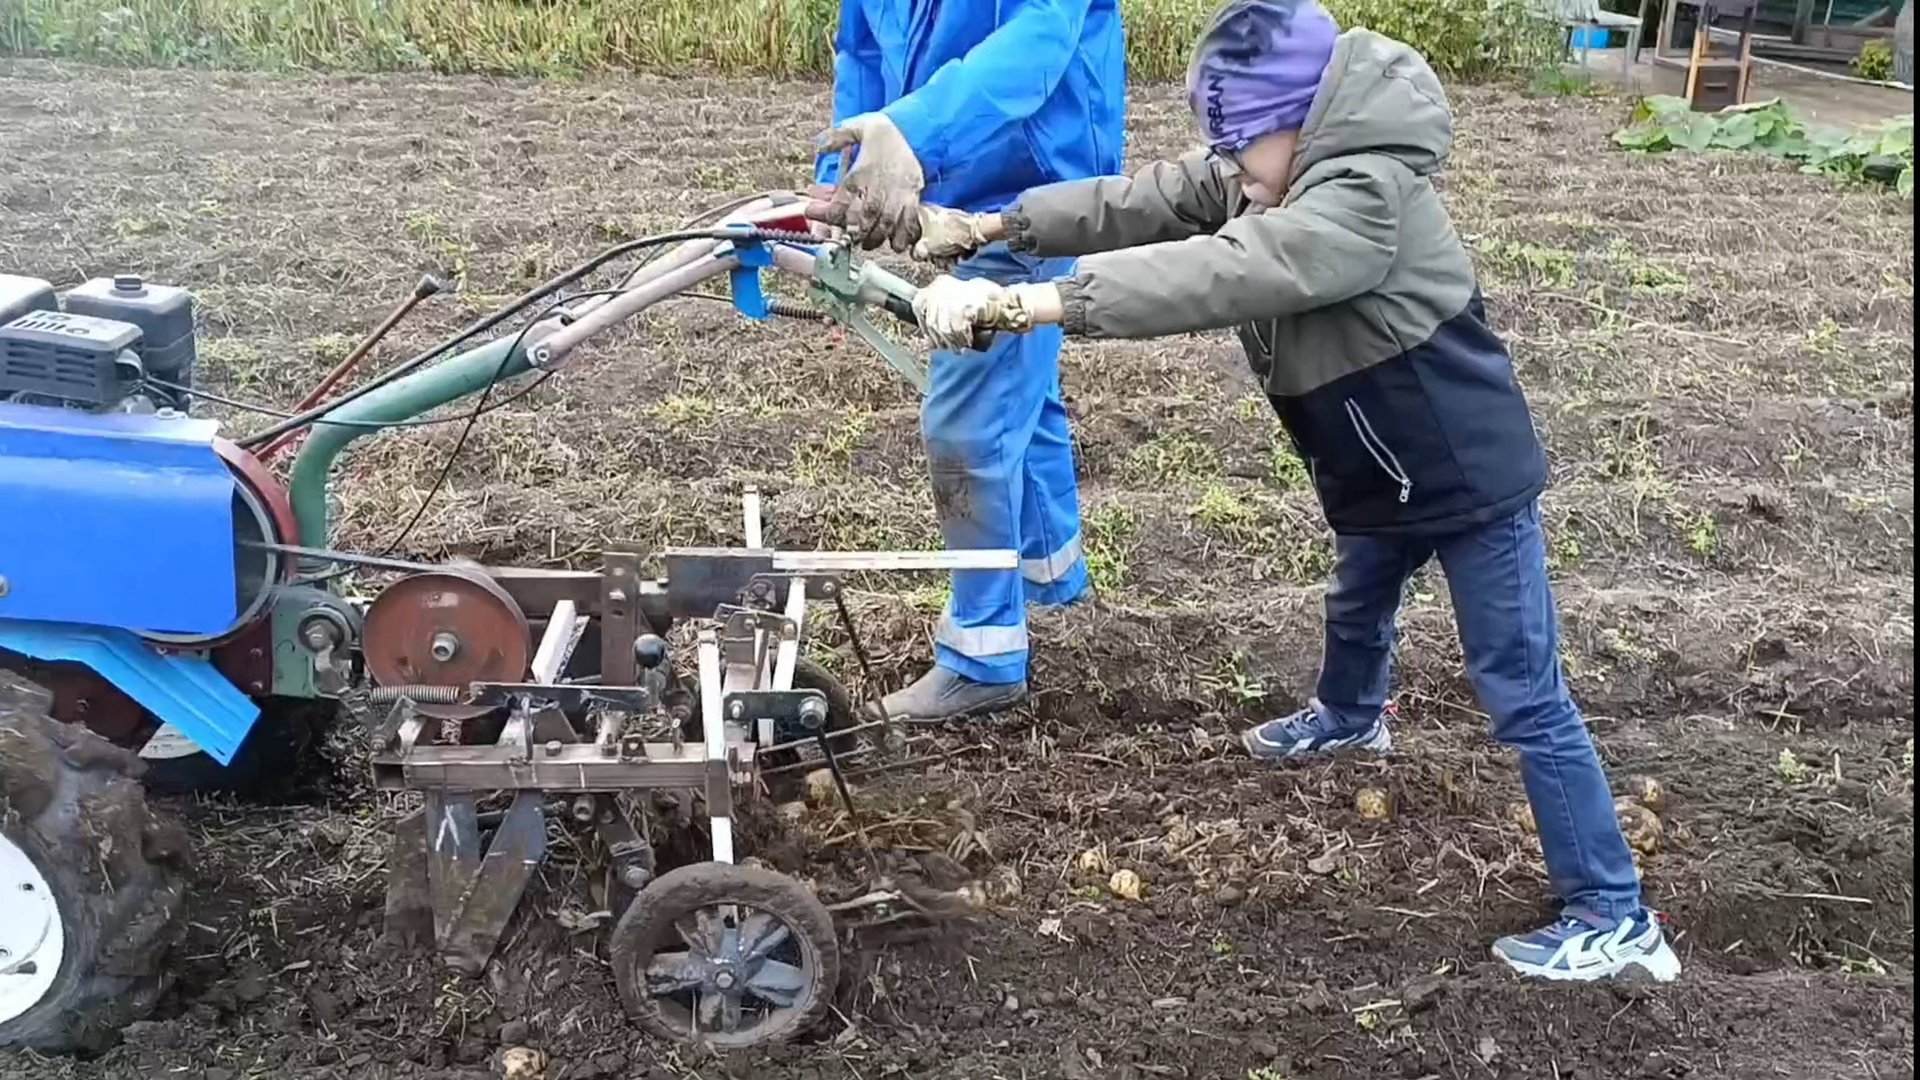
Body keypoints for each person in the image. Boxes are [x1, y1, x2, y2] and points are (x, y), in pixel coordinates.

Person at [899, 0, 1682, 982]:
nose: (1228, 163)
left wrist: (1025, 305)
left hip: (1465, 478)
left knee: (1523, 690)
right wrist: (992, 226)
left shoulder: (1359, 200)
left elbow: (1228, 273)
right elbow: (1138, 201)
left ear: (1306, 117)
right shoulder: (1268, 170)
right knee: (1357, 601)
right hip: (1380, 467)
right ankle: (1352, 717)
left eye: (1242, 140)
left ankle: (1615, 916)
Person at [806, 0, 1127, 724]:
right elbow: (860, 49)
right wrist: (847, 173)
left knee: (964, 425)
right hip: (952, 182)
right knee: (1020, 383)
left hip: (1037, 187)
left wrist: (913, 132)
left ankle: (984, 656)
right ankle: (1051, 576)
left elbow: (1041, 39)